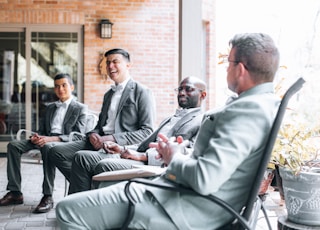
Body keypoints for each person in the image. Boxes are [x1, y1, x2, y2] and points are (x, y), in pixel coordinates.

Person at [55, 33, 280, 229]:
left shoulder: (247, 111)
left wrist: (174, 156)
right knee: (96, 179)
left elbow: (204, 179)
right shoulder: (260, 105)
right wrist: (175, 152)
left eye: (229, 63)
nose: (227, 68)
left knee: (67, 210)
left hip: (181, 207)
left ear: (240, 69)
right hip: (175, 192)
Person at [68, 76, 207, 194]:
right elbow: (145, 144)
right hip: (138, 155)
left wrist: (142, 156)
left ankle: (98, 215)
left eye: (188, 89)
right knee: (82, 157)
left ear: (203, 95)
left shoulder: (202, 121)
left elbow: (189, 154)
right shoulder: (169, 119)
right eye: (180, 89)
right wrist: (121, 149)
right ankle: (73, 210)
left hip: (155, 165)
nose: (182, 92)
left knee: (104, 165)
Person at [48, 48, 155, 190]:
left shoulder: (142, 92)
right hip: (98, 141)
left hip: (117, 146)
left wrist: (112, 138)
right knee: (55, 152)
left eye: (115, 62)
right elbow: (100, 124)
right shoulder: (108, 94)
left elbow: (147, 131)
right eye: (108, 63)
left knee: (81, 157)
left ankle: (82, 186)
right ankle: (85, 182)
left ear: (128, 65)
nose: (110, 66)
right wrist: (93, 133)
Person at [0, 73, 87, 214]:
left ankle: (47, 196)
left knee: (47, 147)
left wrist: (51, 139)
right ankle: (15, 192)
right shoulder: (50, 107)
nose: (60, 89)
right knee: (13, 146)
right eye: (57, 86)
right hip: (45, 139)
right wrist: (37, 136)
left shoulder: (80, 108)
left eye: (64, 85)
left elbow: (79, 136)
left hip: (63, 143)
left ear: (71, 87)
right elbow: (42, 130)